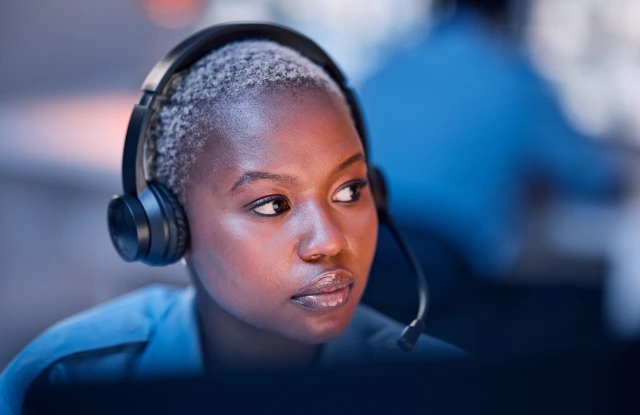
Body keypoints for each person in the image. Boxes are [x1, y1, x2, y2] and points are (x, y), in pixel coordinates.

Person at [0, 28, 463, 415]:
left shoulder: (445, 389)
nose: (329, 242)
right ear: (168, 226)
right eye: (271, 205)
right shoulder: (62, 381)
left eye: (349, 192)